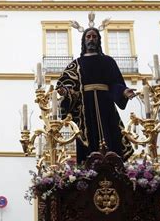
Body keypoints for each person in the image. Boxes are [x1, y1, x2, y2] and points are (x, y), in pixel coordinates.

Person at [56, 27, 136, 164]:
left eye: (94, 36)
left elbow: (115, 82)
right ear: (84, 41)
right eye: (88, 37)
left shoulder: (108, 61)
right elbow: (67, 84)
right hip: (85, 107)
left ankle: (113, 166)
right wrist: (66, 92)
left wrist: (123, 91)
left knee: (111, 132)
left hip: (105, 103)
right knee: (87, 136)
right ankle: (88, 170)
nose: (91, 39)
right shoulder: (76, 64)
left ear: (98, 40)